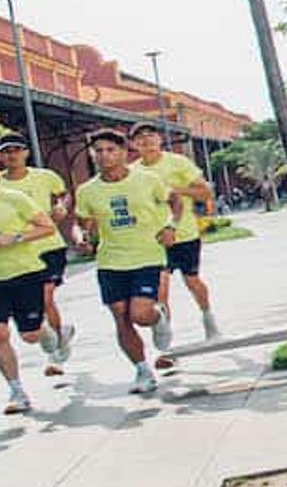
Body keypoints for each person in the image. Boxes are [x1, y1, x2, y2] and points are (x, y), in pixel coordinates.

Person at [73, 129, 180, 395]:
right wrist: (81, 238)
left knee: (141, 315)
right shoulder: (87, 190)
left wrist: (170, 226)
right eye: (98, 151)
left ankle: (159, 316)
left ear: (123, 152)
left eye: (110, 150)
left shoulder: (147, 179)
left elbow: (175, 201)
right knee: (121, 317)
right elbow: (82, 223)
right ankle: (143, 370)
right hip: (110, 262)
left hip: (147, 256)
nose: (104, 156)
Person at [0, 150, 63, 415]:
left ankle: (50, 334)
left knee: (30, 335)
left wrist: (13, 238)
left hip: (24, 275)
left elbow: (47, 227)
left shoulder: (14, 199)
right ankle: (16, 390)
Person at [0, 133, 76, 376]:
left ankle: (54, 354)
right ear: (0, 156)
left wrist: (62, 205)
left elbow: (63, 193)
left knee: (46, 295)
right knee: (36, 302)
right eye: (7, 151)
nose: (12, 155)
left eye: (17, 150)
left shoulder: (44, 176)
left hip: (49, 245)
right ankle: (58, 333)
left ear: (26, 153)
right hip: (20, 251)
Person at [131, 123, 219, 343]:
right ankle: (164, 340)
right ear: (134, 145)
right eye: (140, 138)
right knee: (160, 289)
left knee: (192, 281)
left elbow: (205, 192)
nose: (146, 141)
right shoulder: (132, 172)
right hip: (154, 241)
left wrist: (173, 190)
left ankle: (209, 319)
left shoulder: (177, 162)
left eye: (150, 136)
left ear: (159, 139)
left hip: (184, 234)